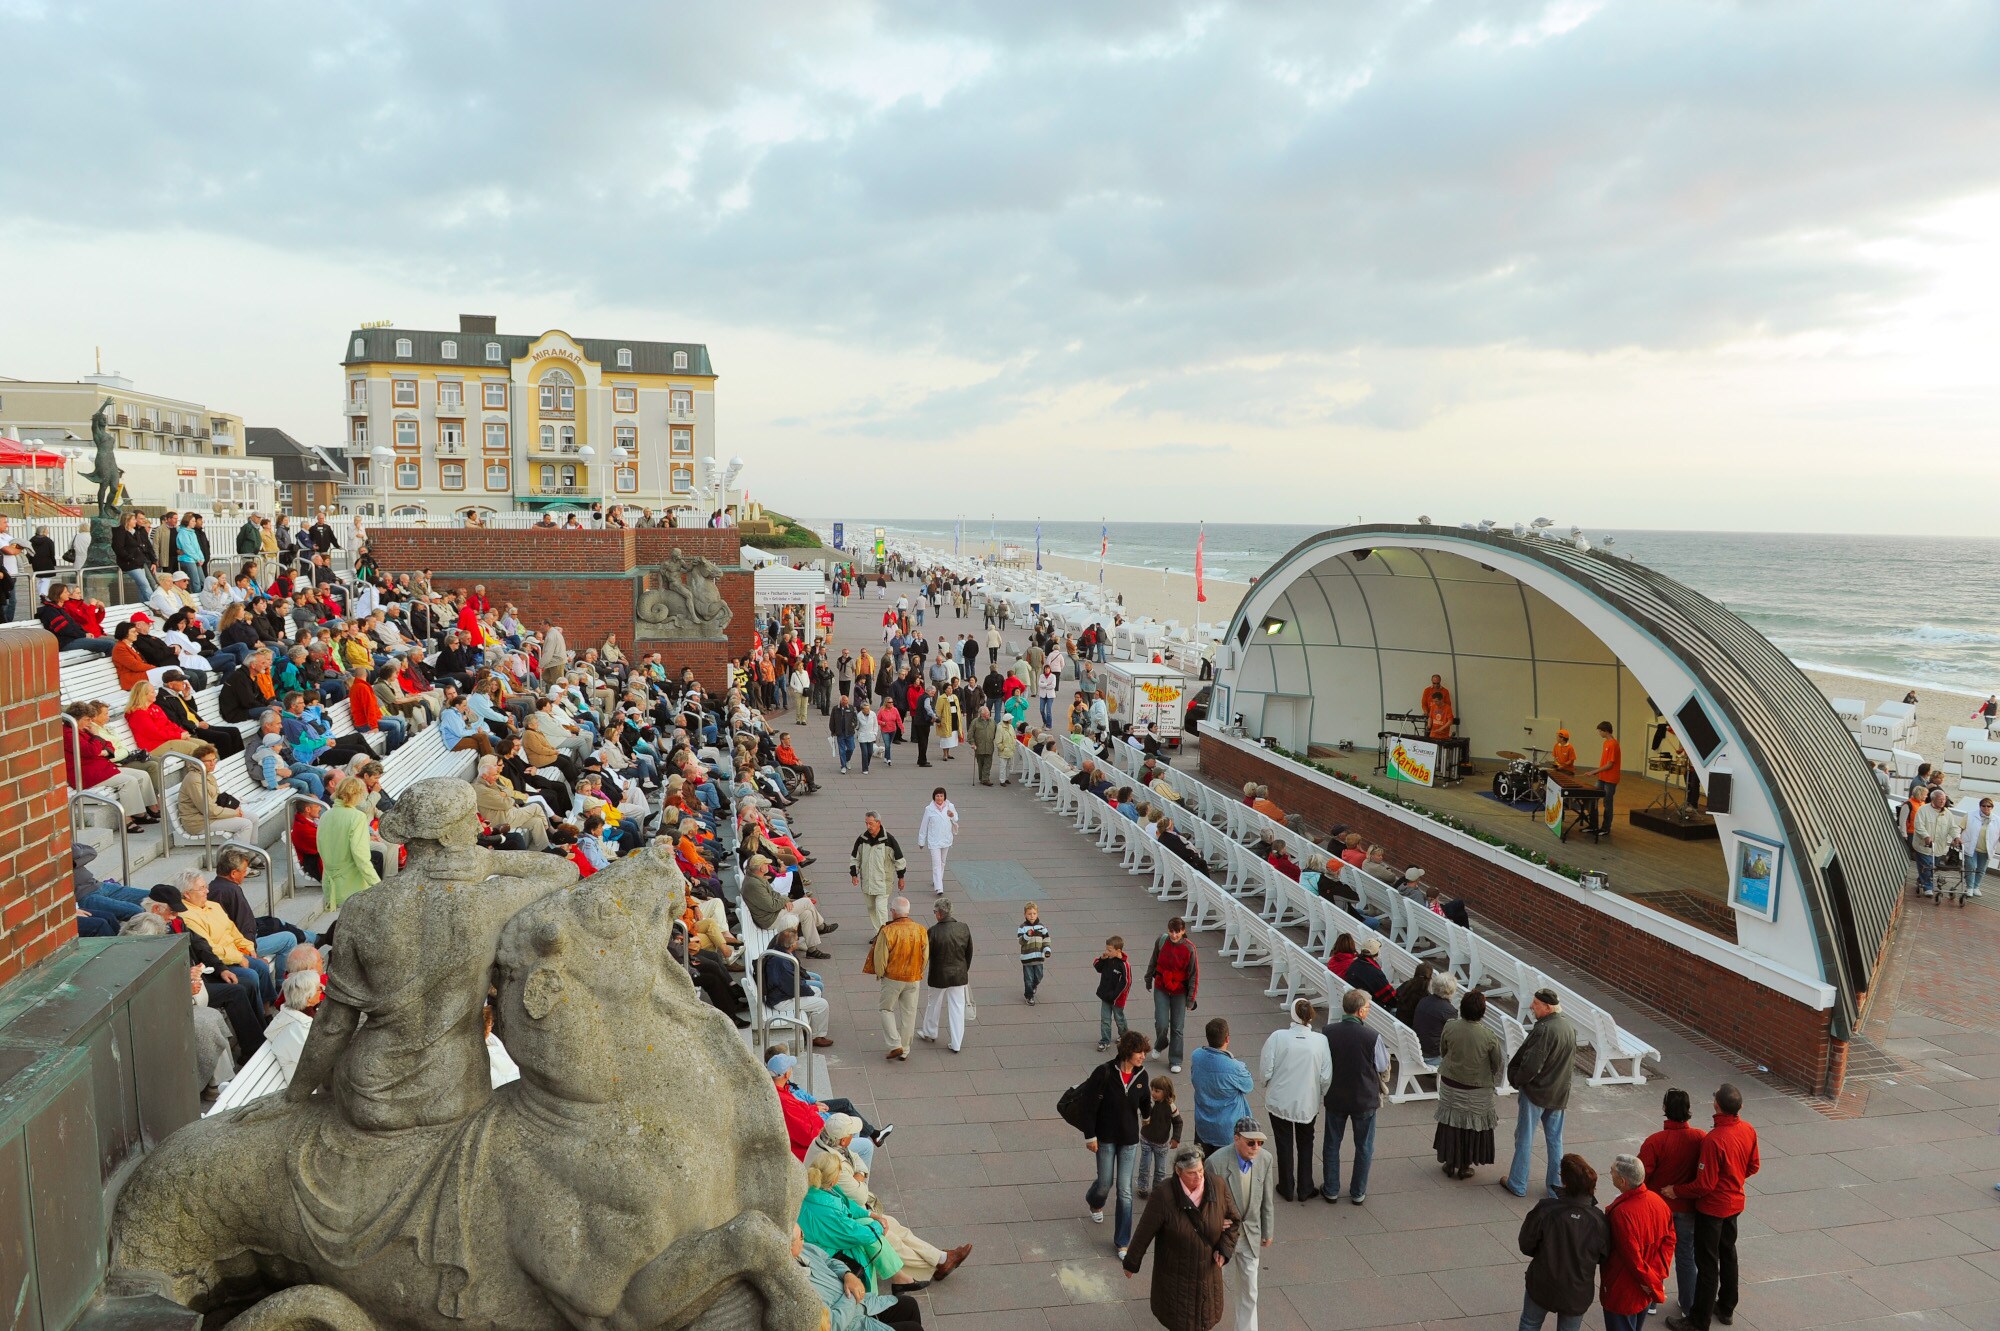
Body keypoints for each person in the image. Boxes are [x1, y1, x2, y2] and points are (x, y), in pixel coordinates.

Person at [1663, 1085, 1759, 1331]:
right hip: (1735, 1202)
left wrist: (1677, 1190)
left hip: (1713, 1209)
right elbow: (1753, 1165)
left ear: (1717, 1106)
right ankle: (1726, 1308)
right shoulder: (1748, 1129)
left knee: (1707, 1264)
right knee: (1728, 1254)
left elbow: (1704, 1185)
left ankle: (1698, 1320)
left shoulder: (1714, 1139)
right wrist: (1734, 1179)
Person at [1121, 1143, 1240, 1331]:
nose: (1199, 1176)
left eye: (1201, 1170)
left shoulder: (1217, 1185)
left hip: (1208, 1278)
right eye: (1192, 1173)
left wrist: (1224, 1249)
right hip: (1176, 1279)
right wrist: (1131, 1263)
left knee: (1203, 1321)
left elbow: (1234, 1221)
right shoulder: (1163, 1195)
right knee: (1181, 1324)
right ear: (1178, 1171)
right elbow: (1145, 1230)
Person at [1079, 1029, 1153, 1257]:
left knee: (1125, 1191)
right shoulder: (1103, 1073)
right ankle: (1094, 1200)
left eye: (1144, 1052)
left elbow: (1144, 1101)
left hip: (1129, 1140)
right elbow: (1088, 1107)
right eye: (1139, 1052)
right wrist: (1090, 1136)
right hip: (1106, 1137)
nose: (1143, 1056)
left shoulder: (1142, 1076)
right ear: (1127, 1052)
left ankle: (1122, 1242)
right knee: (1104, 1183)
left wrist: (1148, 1116)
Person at [1518, 1154, 1611, 1331]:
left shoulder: (1546, 1209)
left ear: (1565, 1183)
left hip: (1541, 1284)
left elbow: (1526, 1244)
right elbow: (1604, 1256)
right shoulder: (1599, 1220)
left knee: (1530, 1323)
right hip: (1577, 1291)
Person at [1640, 1088, 1707, 1322]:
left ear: (1664, 1110)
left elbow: (1642, 1175)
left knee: (1654, 1253)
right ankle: (1688, 1304)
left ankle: (1649, 1300)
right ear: (1688, 1110)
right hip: (1687, 1208)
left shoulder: (1655, 1141)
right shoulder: (1700, 1138)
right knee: (1686, 1256)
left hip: (1658, 1209)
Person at [1506, 988, 1578, 1198]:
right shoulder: (1568, 1028)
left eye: (1535, 1003)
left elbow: (1531, 1065)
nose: (1531, 1006)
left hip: (1537, 1092)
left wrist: (1517, 1081)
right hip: (1558, 1093)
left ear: (1547, 1007)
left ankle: (1517, 1183)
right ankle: (1556, 1189)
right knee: (1555, 1141)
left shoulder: (1545, 1029)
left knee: (1524, 1138)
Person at [1259, 997, 1332, 1202]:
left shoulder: (1278, 1037)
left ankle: (1286, 1185)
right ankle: (1305, 1187)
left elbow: (1266, 1068)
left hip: (1280, 1100)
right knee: (1306, 1142)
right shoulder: (1321, 1041)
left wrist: (1266, 1082)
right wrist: (1321, 1094)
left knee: (1284, 1142)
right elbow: (1326, 1076)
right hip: (1307, 1102)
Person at [1319, 986, 1386, 1205]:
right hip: (1364, 1099)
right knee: (1364, 1146)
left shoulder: (1328, 1031)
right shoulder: (1372, 1036)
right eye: (1367, 1007)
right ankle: (1358, 1192)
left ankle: (1331, 1188)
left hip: (1336, 1096)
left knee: (1331, 1144)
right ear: (1359, 1011)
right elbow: (1382, 1065)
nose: (1368, 1011)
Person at [1602, 1152, 1676, 1331]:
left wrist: (1649, 1280)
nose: (1609, 1173)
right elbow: (1670, 1239)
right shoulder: (1658, 1202)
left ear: (1623, 1181)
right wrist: (1655, 1275)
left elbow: (1632, 1258)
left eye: (1612, 1172)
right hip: (1646, 1285)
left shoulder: (1622, 1213)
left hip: (1623, 1288)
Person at [1435, 989, 1504, 1179]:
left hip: (1450, 1082)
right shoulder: (1488, 1036)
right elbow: (1496, 1063)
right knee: (1472, 1126)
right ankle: (1465, 1166)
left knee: (1452, 1123)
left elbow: (1443, 1050)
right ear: (1482, 1012)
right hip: (1477, 1087)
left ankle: (1450, 1162)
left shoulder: (1450, 1027)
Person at [866, 896, 928, 1061]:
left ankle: (895, 1044)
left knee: (886, 1009)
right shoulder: (921, 929)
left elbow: (881, 958)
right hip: (914, 977)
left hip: (893, 977)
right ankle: (906, 1049)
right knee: (909, 1013)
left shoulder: (888, 931)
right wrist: (918, 972)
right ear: (908, 911)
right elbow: (925, 956)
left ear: (893, 912)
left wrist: (880, 974)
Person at [915, 897, 972, 1053]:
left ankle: (930, 1031)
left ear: (939, 914)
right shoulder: (963, 928)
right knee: (957, 1008)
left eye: (934, 912)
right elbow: (969, 953)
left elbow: (925, 955)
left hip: (938, 975)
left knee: (933, 1004)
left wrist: (920, 969)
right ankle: (956, 1042)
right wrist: (963, 969)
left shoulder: (933, 931)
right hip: (959, 974)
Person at [1188, 1018, 1253, 1155]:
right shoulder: (1235, 1067)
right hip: (1227, 1131)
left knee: (1201, 1169)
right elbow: (1248, 1086)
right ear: (1227, 1039)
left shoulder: (1196, 1056)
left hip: (1203, 1126)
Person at [1145, 916, 1199, 1071]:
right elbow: (1153, 960)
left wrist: (1190, 999)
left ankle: (1175, 1060)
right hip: (1161, 987)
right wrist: (1148, 978)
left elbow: (1194, 974)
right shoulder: (1161, 941)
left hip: (1180, 991)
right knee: (1161, 1023)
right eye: (1171, 931)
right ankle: (1160, 1043)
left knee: (1177, 1027)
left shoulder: (1189, 948)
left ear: (1183, 931)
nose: (1174, 935)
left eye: (1177, 932)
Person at [317, 775, 380, 909]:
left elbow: (321, 847)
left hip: (330, 881)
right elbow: (361, 855)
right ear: (356, 794)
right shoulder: (357, 817)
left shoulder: (325, 815)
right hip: (352, 884)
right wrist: (377, 884)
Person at [849, 812, 908, 932]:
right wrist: (854, 874)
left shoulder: (889, 840)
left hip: (883, 883)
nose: (868, 826)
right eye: (866, 823)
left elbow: (899, 859)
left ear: (878, 823)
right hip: (868, 882)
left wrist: (901, 877)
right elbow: (855, 858)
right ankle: (878, 932)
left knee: (881, 909)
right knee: (871, 908)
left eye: (870, 823)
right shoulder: (862, 839)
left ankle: (884, 936)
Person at [1136, 1075, 1182, 1200]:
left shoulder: (1170, 1106)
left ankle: (1157, 1190)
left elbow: (1178, 1122)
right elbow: (1143, 1113)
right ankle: (1142, 1187)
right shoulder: (1149, 1102)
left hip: (1161, 1144)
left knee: (1160, 1170)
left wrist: (1175, 1138)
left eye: (1157, 1091)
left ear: (1166, 1092)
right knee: (1144, 1166)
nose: (1153, 1093)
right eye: (1152, 1089)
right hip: (1146, 1139)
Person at [914, 786, 958, 895]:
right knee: (937, 863)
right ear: (934, 797)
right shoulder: (929, 809)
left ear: (944, 797)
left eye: (941, 796)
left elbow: (956, 819)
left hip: (946, 839)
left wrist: (952, 815)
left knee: (942, 862)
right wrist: (921, 841)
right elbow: (924, 826)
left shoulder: (950, 806)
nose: (939, 798)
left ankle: (937, 880)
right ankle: (939, 887)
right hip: (934, 840)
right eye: (937, 796)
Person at [1094, 935, 1132, 1052]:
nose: (1107, 952)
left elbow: (1126, 982)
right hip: (1105, 996)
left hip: (1117, 999)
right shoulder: (1108, 960)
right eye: (1106, 949)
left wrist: (1115, 995)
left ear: (1118, 951)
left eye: (1109, 950)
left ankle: (1124, 1036)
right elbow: (1097, 967)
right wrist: (1102, 958)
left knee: (1119, 1019)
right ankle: (1105, 1040)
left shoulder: (1124, 965)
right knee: (1105, 1019)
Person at [1017, 901, 1051, 1004]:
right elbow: (1021, 941)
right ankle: (1029, 996)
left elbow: (1046, 939)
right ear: (1025, 915)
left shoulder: (1041, 927)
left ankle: (1034, 985)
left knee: (1039, 976)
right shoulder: (1022, 927)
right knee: (1028, 978)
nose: (1032, 916)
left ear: (1037, 914)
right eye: (1029, 914)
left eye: (1034, 914)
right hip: (1027, 958)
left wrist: (1047, 950)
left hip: (1039, 957)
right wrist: (1027, 935)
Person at [1593, 720, 1622, 831]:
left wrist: (1594, 771)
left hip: (1610, 779)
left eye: (1600, 731)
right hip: (1602, 777)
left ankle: (1605, 828)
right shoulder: (1605, 743)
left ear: (1606, 731)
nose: (1599, 733)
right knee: (1593, 798)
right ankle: (1593, 825)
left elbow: (1610, 765)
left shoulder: (1613, 744)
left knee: (1607, 803)